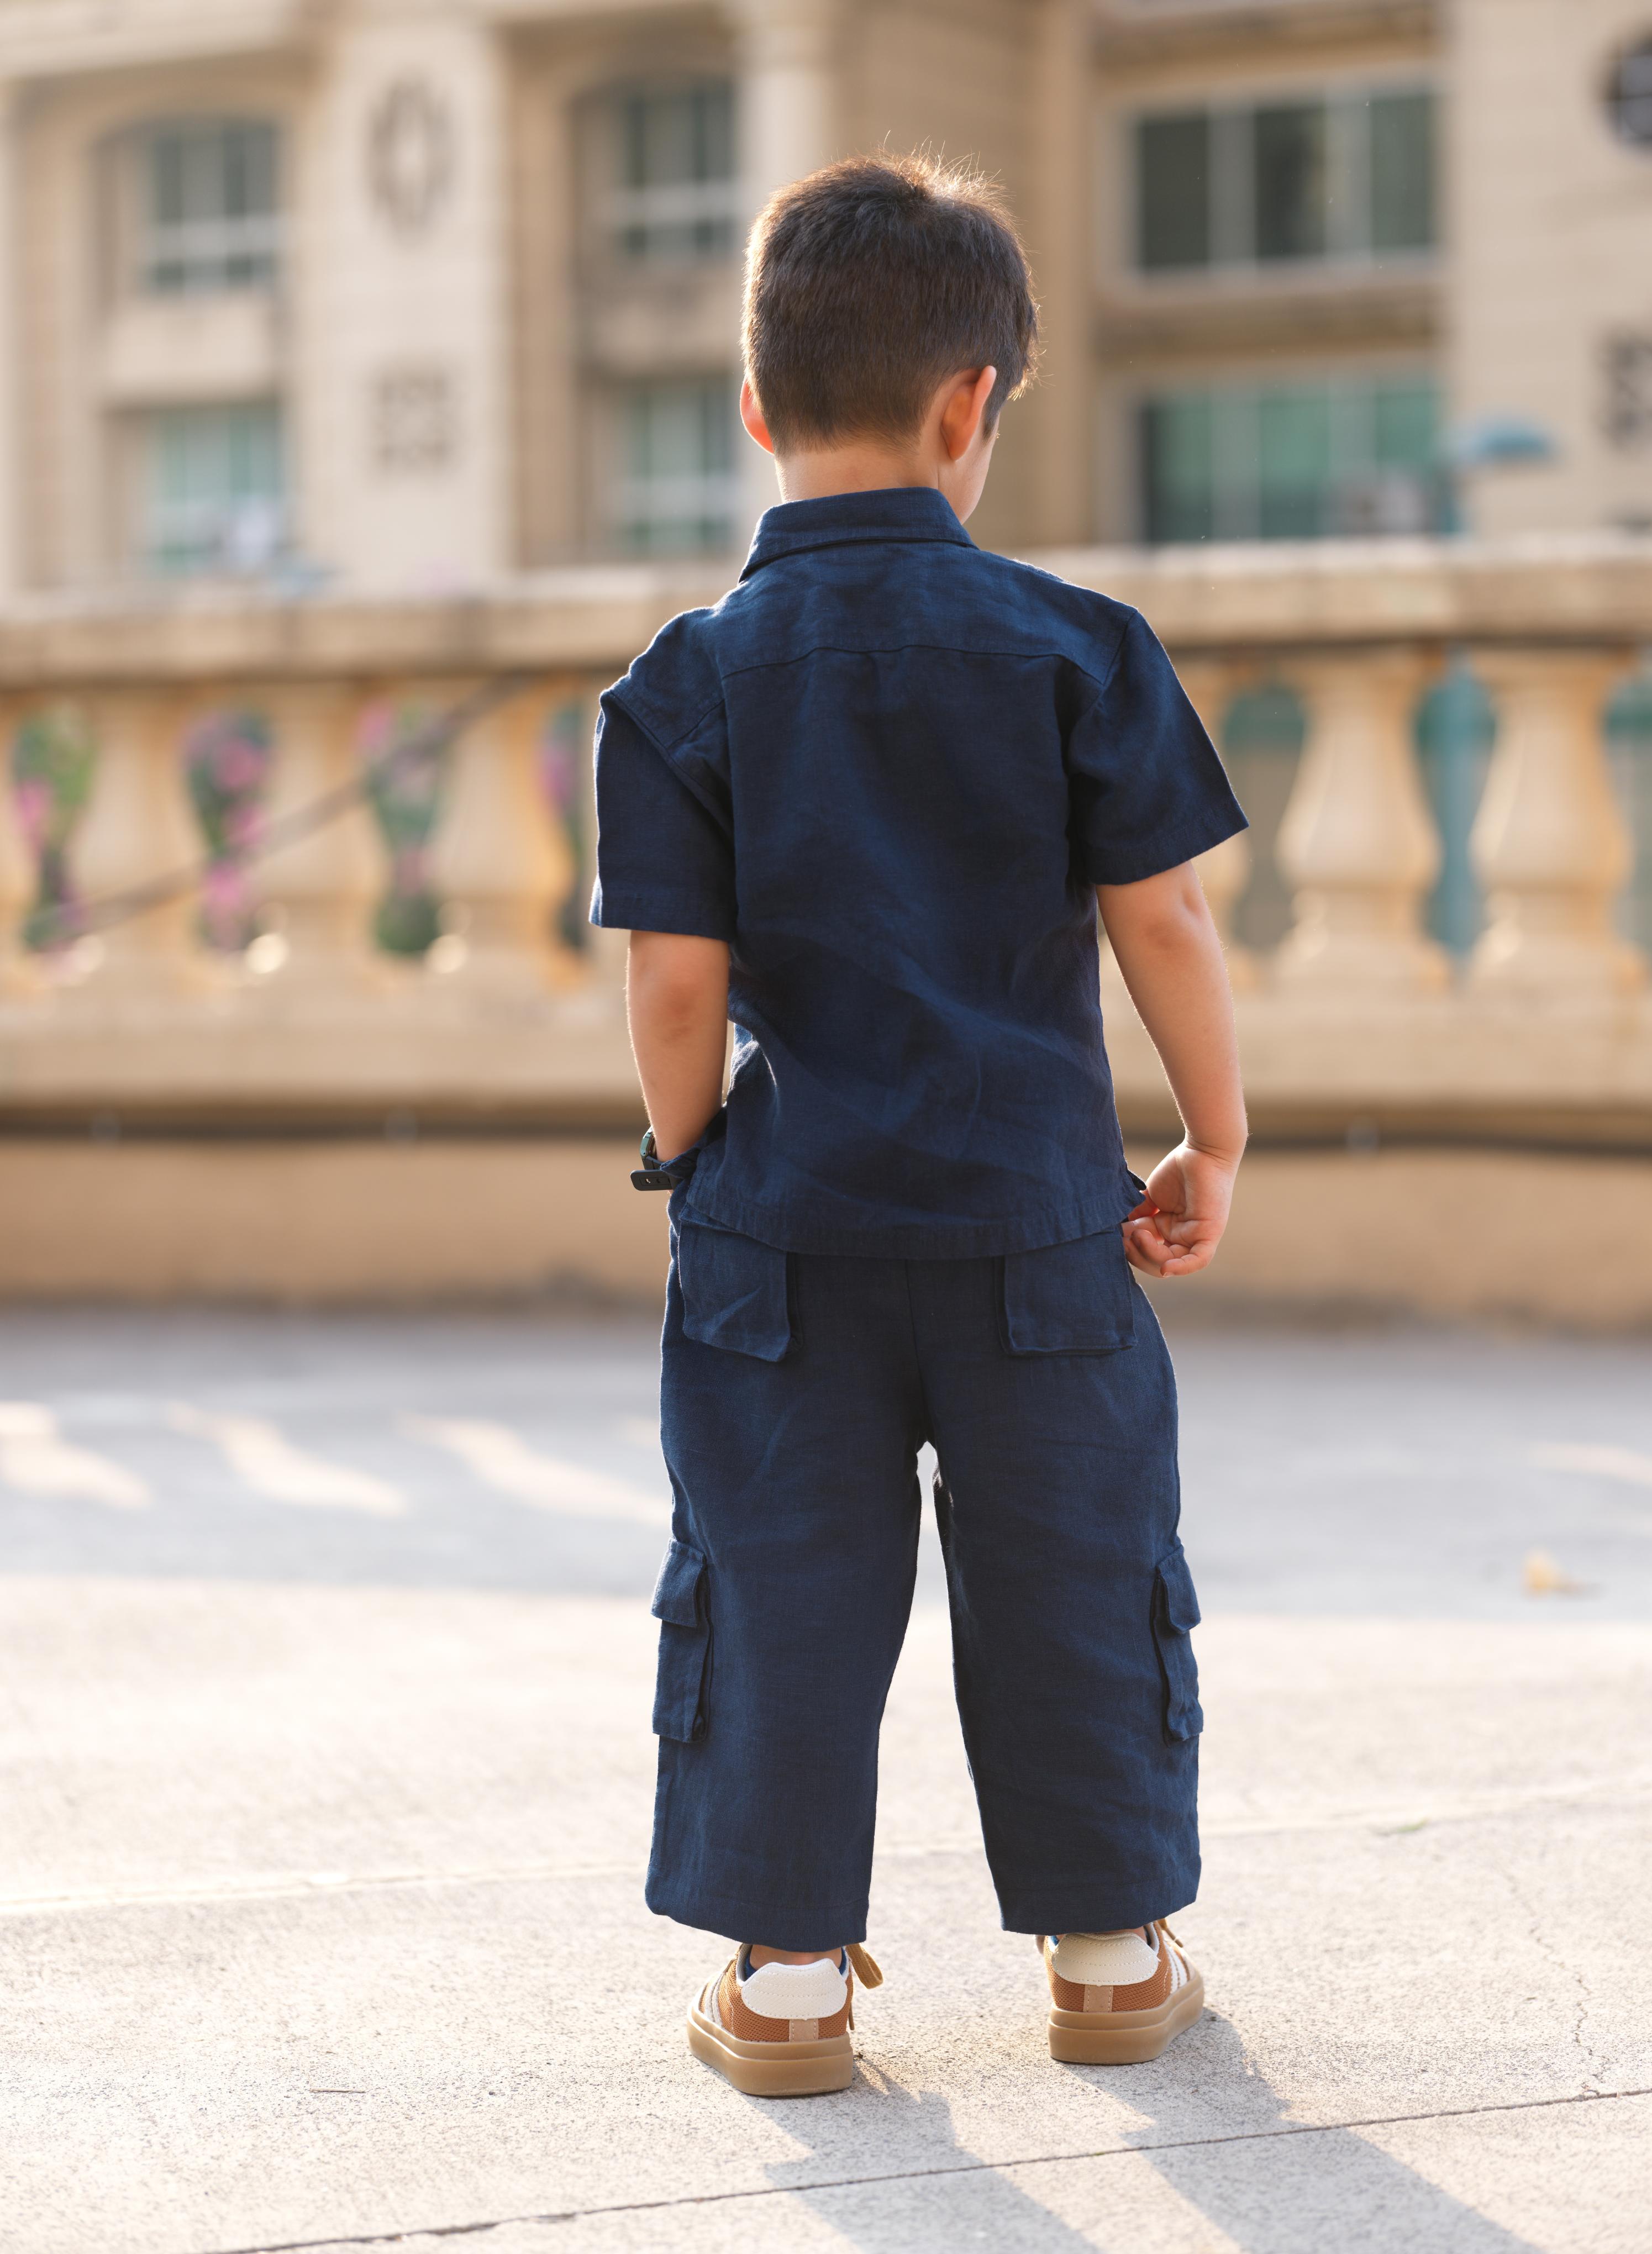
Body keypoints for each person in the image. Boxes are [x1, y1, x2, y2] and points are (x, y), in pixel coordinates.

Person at [591, 152, 1248, 2098]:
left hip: (784, 1233)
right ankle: (1108, 1956)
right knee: (1073, 1566)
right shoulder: (1079, 646)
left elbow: (674, 986)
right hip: (1041, 1227)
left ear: (752, 407)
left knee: (778, 1578)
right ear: (973, 405)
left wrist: (692, 1155)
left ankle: (788, 1983)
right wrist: (1212, 1138)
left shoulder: (682, 681)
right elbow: (1165, 922)